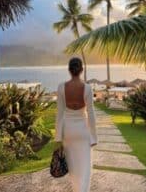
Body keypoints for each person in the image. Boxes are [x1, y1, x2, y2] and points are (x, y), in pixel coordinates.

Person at [54, 57, 97, 192]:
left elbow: (59, 114)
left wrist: (58, 137)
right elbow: (91, 114)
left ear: (69, 70)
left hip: (68, 132)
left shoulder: (61, 87)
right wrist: (94, 137)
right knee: (85, 167)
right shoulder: (87, 88)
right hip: (83, 131)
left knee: (73, 167)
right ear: (81, 70)